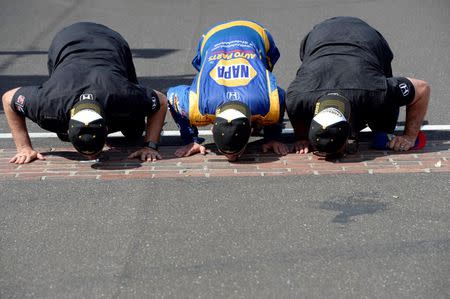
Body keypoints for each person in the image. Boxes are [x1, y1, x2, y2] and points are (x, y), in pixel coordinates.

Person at [2, 22, 167, 164]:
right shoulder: (49, 103)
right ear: (68, 128)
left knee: (134, 131)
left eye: (96, 150)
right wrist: (24, 148)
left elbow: (160, 101)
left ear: (107, 127)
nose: (91, 159)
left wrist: (150, 146)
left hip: (111, 42)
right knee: (60, 132)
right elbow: (9, 99)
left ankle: (131, 126)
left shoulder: (123, 96)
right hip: (66, 41)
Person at [286, 16, 430, 157]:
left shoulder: (376, 91)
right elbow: (298, 121)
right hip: (318, 36)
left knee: (384, 128)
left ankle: (379, 125)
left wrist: (409, 137)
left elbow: (422, 89)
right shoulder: (296, 99)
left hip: (366, 38)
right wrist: (302, 138)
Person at [167, 20, 288, 161]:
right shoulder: (196, 105)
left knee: (263, 74)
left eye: (236, 152)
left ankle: (256, 122)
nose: (232, 159)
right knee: (205, 77)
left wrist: (272, 137)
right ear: (213, 130)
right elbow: (171, 95)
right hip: (212, 37)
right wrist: (190, 140)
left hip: (255, 33)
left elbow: (279, 94)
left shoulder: (265, 104)